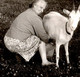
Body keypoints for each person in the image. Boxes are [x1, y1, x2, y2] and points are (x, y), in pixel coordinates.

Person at [4, 0, 54, 66]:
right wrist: (51, 40)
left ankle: (20, 54)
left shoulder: (26, 12)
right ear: (34, 5)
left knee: (33, 37)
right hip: (15, 44)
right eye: (41, 7)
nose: (42, 11)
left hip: (7, 40)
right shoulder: (35, 18)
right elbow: (43, 37)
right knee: (40, 40)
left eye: (43, 9)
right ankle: (44, 61)